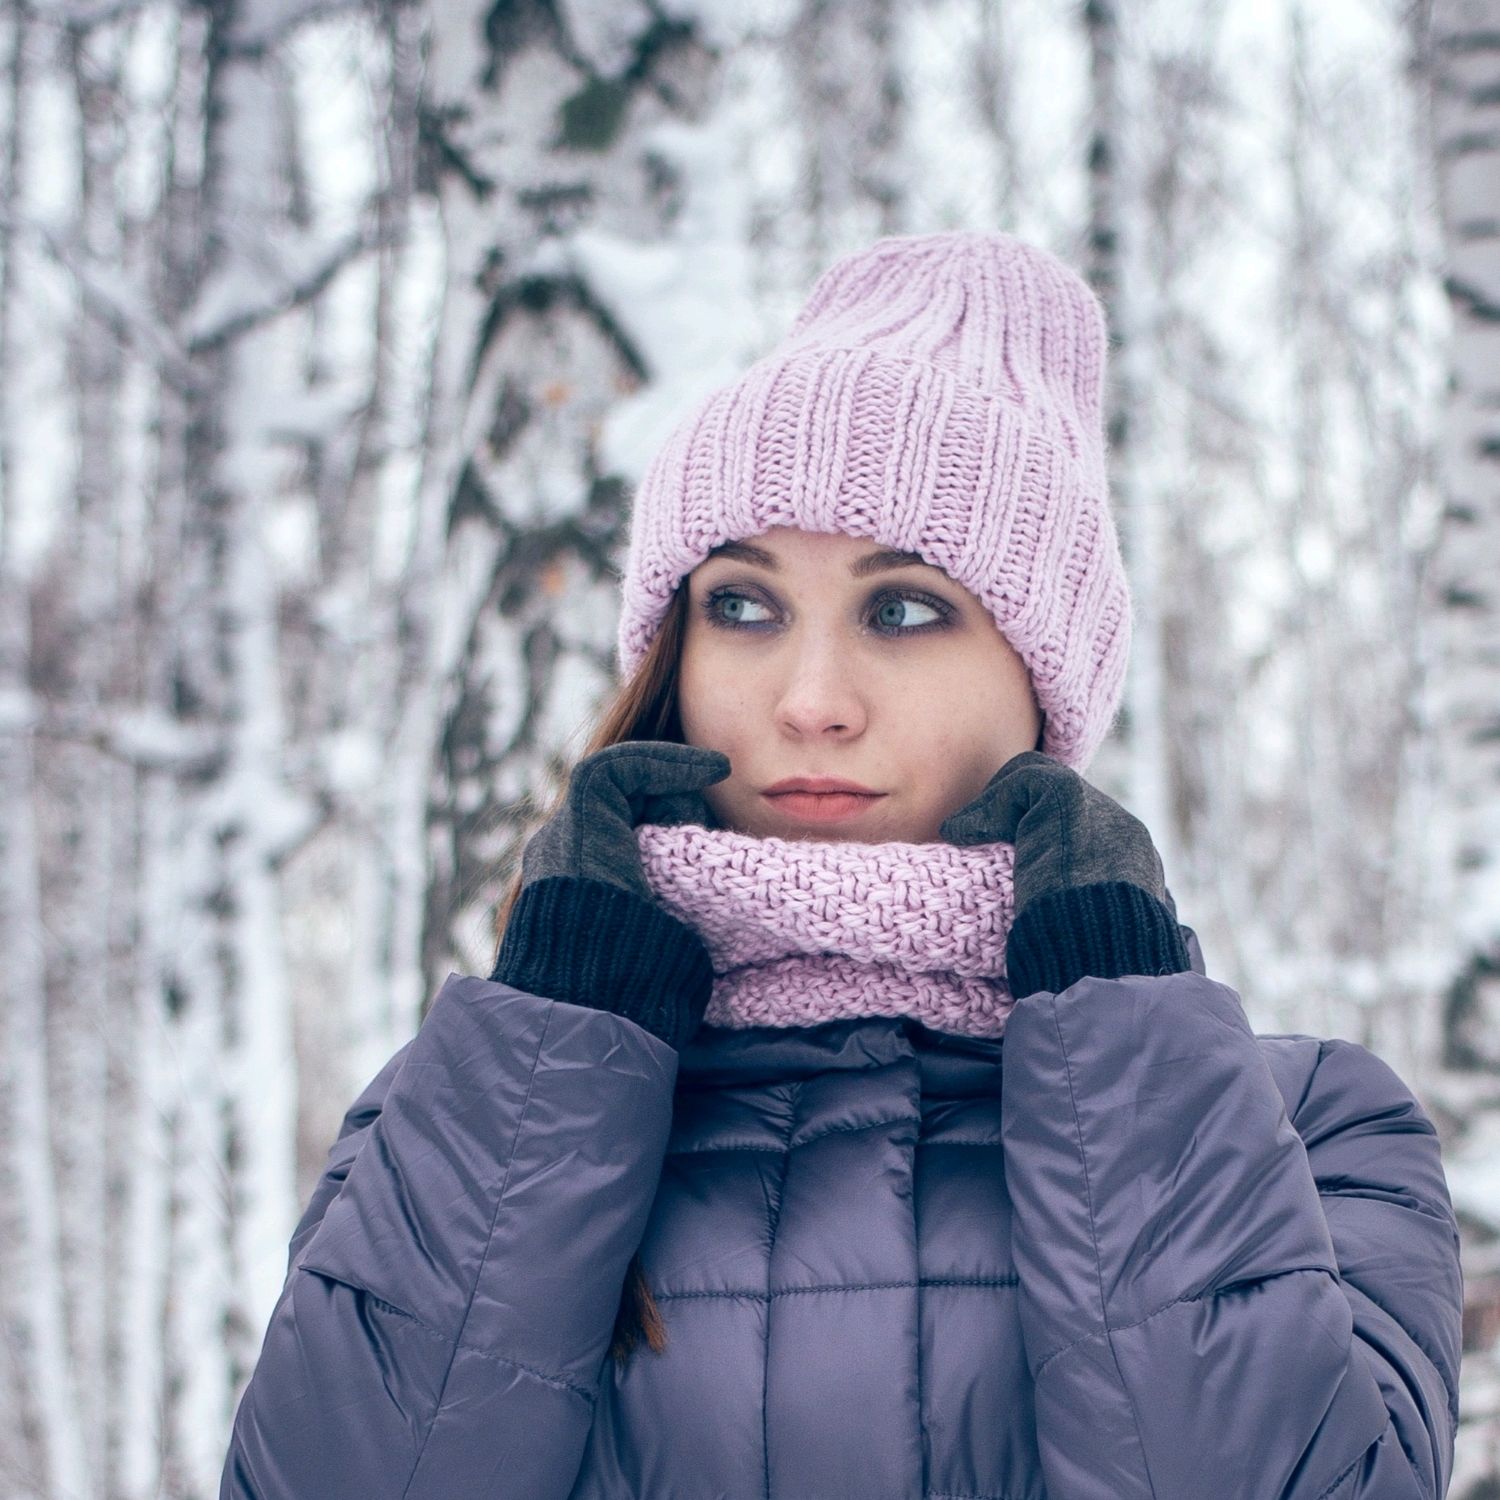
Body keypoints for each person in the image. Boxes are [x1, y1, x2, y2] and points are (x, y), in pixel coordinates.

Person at [220, 231, 1464, 1499]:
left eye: (904, 609)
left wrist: (1117, 1023)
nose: (810, 700)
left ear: (1041, 679)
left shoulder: (1307, 1134)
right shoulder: (463, 1103)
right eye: (745, 608)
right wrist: (562, 1038)